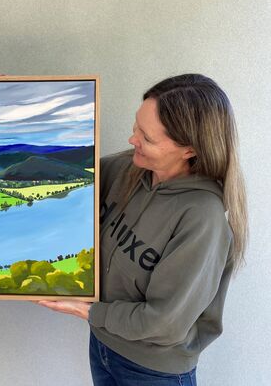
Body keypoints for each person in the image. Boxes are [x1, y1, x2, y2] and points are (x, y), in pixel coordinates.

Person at [37, 73, 248, 386]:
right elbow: (62, 171)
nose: (132, 139)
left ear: (188, 149)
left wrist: (91, 312)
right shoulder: (129, 168)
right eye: (137, 127)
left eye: (147, 138)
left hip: (153, 371)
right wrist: (11, 99)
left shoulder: (203, 218)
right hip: (104, 347)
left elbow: (165, 323)